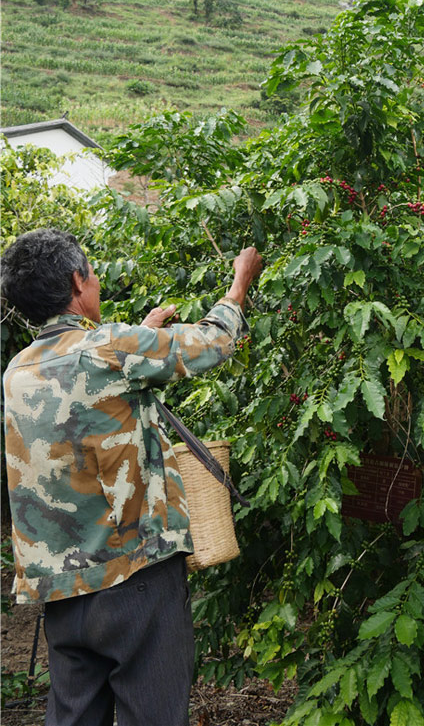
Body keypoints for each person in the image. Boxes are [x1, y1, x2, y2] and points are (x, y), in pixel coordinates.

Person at [1, 228, 263, 726]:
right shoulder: (111, 349)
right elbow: (212, 342)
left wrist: (135, 338)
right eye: (92, 274)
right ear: (78, 282)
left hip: (62, 593)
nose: (96, 282)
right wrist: (238, 284)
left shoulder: (16, 372)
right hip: (133, 579)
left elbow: (84, 408)